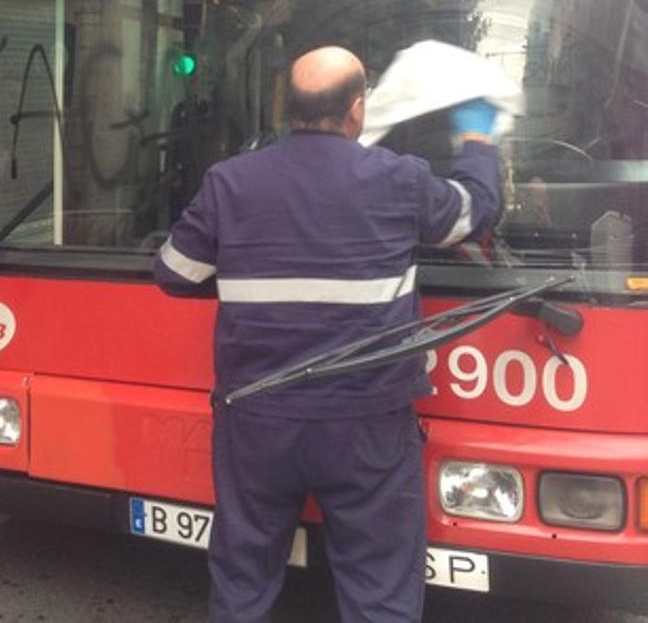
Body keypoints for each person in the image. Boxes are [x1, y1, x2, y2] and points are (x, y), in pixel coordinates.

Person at [154, 45, 502, 623]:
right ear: (357, 109)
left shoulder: (229, 183)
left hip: (257, 420)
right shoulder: (399, 179)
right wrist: (477, 145)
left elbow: (173, 272)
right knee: (379, 590)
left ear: (287, 109)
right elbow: (473, 214)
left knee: (243, 582)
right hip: (367, 425)